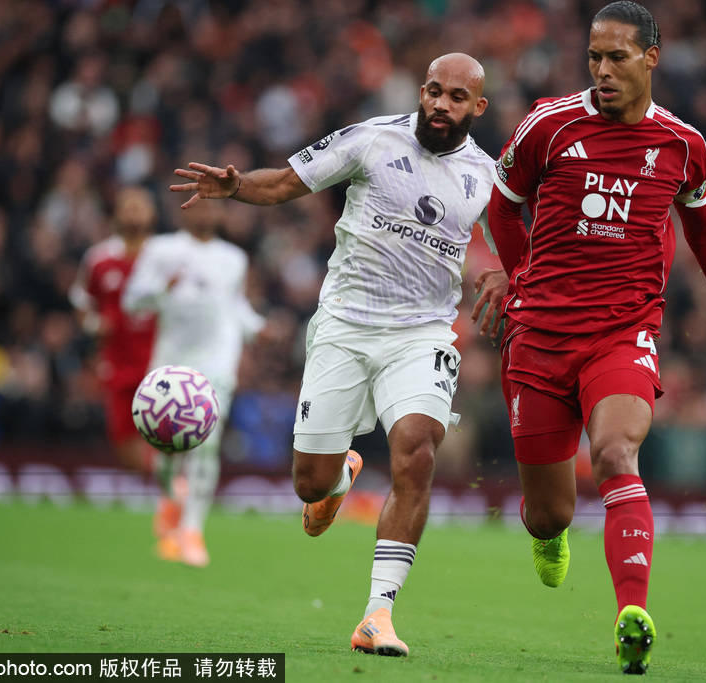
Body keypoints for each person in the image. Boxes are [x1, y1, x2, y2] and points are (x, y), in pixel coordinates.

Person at [168, 53, 506, 656]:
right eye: (433, 91)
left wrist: (508, 271)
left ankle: (378, 614)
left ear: (477, 107)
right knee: (309, 483)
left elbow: (517, 240)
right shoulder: (372, 139)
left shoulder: (486, 174)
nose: (440, 104)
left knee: (417, 451)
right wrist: (236, 186)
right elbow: (287, 182)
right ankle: (338, 476)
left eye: (456, 97)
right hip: (345, 325)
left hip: (422, 334)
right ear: (421, 90)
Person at [485, 2, 706, 675]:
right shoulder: (548, 125)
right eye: (594, 57)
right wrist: (519, 280)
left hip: (622, 332)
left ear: (651, 58)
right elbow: (502, 204)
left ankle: (631, 615)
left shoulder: (683, 145)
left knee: (616, 452)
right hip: (540, 336)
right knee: (550, 514)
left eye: (617, 57)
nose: (603, 70)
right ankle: (545, 532)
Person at [121, 199, 266, 567]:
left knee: (207, 443)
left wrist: (258, 328)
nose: (205, 213)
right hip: (170, 366)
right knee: (166, 451)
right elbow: (131, 301)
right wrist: (162, 289)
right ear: (183, 211)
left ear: (221, 213)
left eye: (212, 207)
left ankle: (192, 530)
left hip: (217, 362)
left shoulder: (233, 257)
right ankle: (173, 498)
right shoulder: (161, 249)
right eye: (198, 207)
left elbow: (234, 306)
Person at [70, 186, 157, 473]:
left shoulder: (164, 257)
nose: (134, 213)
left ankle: (167, 489)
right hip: (117, 363)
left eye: (139, 206)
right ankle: (156, 484)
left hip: (159, 362)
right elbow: (81, 302)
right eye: (128, 207)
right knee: (123, 443)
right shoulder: (99, 258)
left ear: (152, 214)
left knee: (164, 433)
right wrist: (95, 325)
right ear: (117, 214)